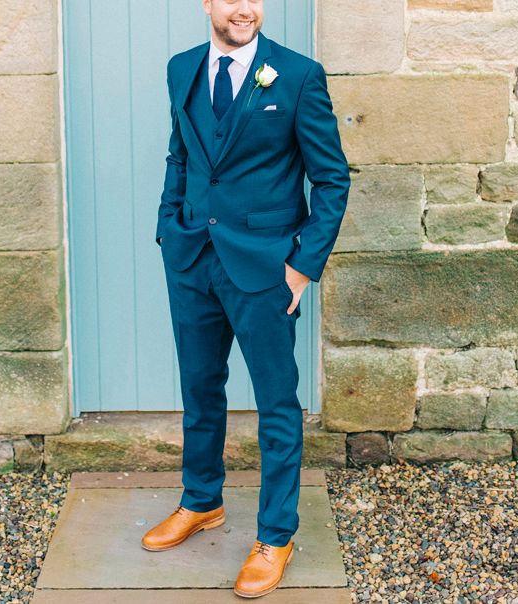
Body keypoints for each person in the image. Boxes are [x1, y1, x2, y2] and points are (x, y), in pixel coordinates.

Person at [142, 0, 350, 598]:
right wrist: (168, 226)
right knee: (200, 389)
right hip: (191, 261)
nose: (245, 9)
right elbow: (180, 153)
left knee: (276, 404)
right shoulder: (181, 67)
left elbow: (331, 178)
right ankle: (201, 500)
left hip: (265, 270)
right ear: (207, 4)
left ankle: (276, 535)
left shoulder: (299, 75)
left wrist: (301, 268)